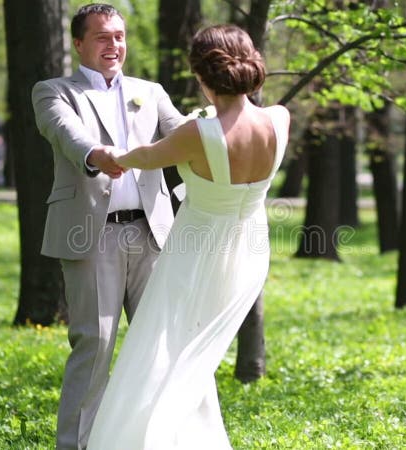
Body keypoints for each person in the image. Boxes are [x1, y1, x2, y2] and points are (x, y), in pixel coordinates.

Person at [86, 24, 290, 449]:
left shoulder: (199, 134)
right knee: (197, 352)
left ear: (201, 75)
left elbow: (145, 157)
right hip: (247, 252)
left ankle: (150, 438)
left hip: (196, 252)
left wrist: (112, 156)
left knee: (161, 346)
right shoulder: (279, 119)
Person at [31, 4, 183, 449]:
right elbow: (67, 134)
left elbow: (183, 134)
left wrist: (222, 126)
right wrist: (97, 155)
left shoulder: (150, 91)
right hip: (92, 236)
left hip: (152, 235)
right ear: (79, 44)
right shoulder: (54, 92)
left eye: (119, 36)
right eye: (102, 36)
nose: (113, 45)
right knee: (95, 345)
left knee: (159, 345)